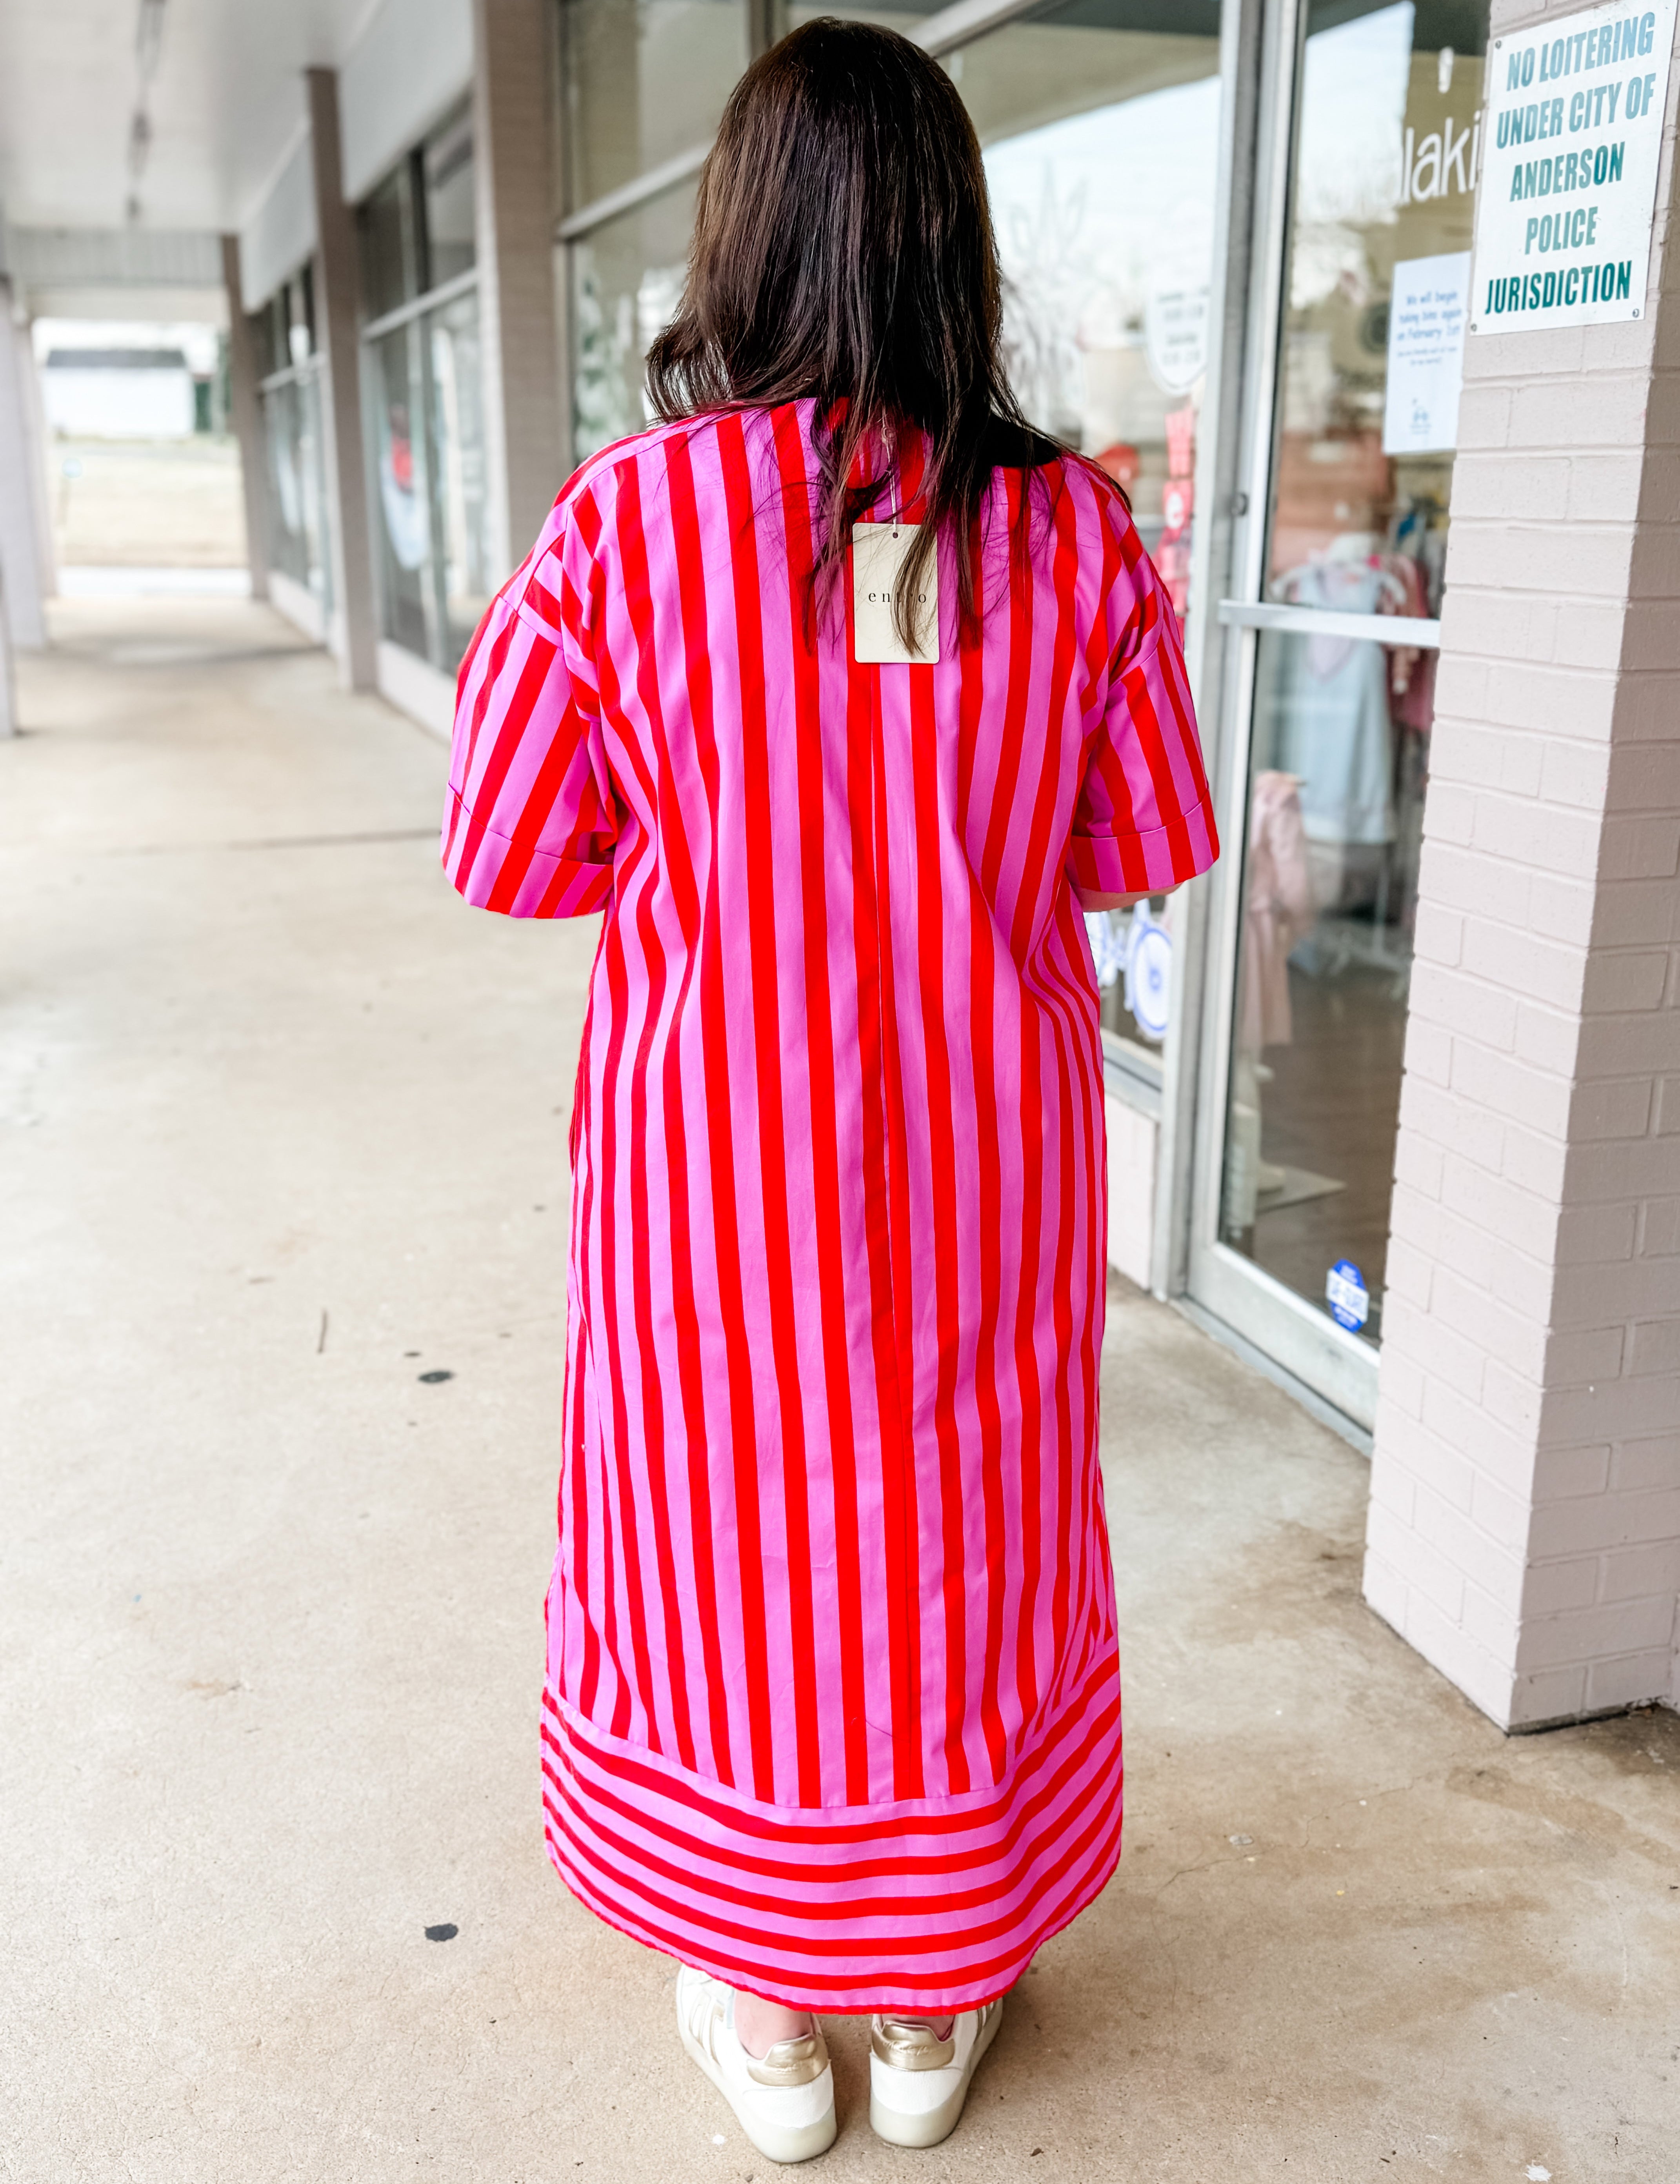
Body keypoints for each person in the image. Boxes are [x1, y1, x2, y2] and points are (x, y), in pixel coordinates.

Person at [442, 16, 1217, 2163]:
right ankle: (935, 1987)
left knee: (724, 1552)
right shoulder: (1077, 537)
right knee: (962, 1539)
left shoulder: (624, 526)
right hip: (986, 1169)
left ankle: (764, 1999)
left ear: (741, 236)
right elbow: (1140, 840)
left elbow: (512, 848)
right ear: (958, 242)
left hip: (708, 1180)